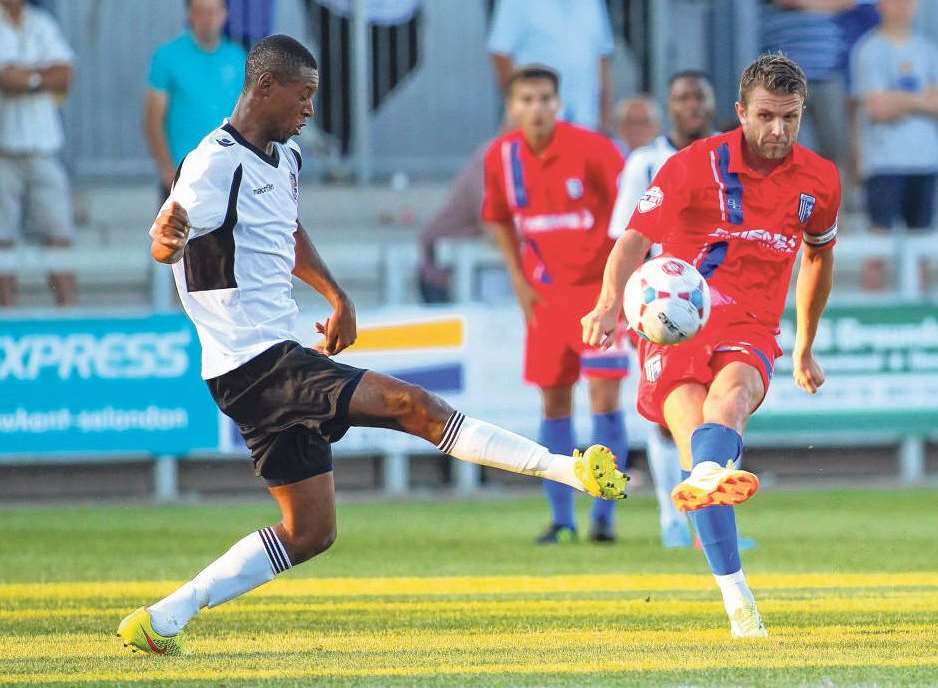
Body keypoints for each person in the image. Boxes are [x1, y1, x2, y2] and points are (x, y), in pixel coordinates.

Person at [116, 36, 627, 656]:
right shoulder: (212, 162)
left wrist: (336, 294)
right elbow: (170, 238)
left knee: (311, 532)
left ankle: (162, 618)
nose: (309, 109)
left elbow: (286, 228)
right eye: (303, 96)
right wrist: (165, 240)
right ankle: (566, 468)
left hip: (260, 362)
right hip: (255, 362)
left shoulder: (285, 157)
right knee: (413, 406)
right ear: (266, 87)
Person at [582, 53, 839, 637]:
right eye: (767, 117)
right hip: (677, 319)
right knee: (699, 444)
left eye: (791, 119)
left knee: (730, 404)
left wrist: (804, 346)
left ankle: (716, 519)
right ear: (740, 112)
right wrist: (605, 303)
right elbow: (631, 242)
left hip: (752, 323)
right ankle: (737, 595)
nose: (778, 131)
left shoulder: (819, 179)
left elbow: (820, 258)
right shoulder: (692, 164)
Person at [482, 66, 628, 544]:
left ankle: (605, 515)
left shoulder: (593, 148)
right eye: (527, 99)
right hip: (545, 299)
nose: (537, 108)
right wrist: (519, 281)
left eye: (546, 98)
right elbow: (499, 218)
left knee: (604, 397)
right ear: (511, 107)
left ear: (558, 102)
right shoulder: (502, 156)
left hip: (599, 295)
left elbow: (632, 213)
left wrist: (620, 286)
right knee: (554, 398)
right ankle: (562, 517)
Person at [608, 71, 716, 550]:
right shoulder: (645, 163)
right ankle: (672, 519)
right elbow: (624, 238)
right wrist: (616, 304)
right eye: (681, 98)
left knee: (717, 409)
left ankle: (710, 522)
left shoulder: (732, 158)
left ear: (714, 104)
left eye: (699, 96)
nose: (691, 105)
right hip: (660, 306)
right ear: (668, 107)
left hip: (716, 298)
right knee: (664, 415)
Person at [851, 0, 938, 290]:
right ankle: (870, 318)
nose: (903, 6)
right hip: (884, 161)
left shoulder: (928, 49)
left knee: (922, 245)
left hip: (924, 160)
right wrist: (920, 100)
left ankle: (921, 320)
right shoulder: (869, 50)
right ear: (881, 5)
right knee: (877, 247)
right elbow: (877, 109)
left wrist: (896, 98)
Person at [0, 0, 75, 307]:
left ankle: (70, 315)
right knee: (2, 240)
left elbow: (65, 75)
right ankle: (6, 318)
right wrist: (41, 75)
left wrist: (26, 78)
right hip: (3, 154)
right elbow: (5, 80)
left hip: (44, 149)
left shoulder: (41, 22)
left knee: (59, 236)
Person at [144, 0, 246, 202]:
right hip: (182, 178)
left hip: (229, 177)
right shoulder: (167, 57)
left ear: (225, 14)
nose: (208, 18)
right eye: (200, 11)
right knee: (177, 235)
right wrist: (166, 171)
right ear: (189, 15)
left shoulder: (238, 57)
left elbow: (249, 117)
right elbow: (152, 120)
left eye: (214, 11)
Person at [488, 0, 614, 132]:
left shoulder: (593, 3)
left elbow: (602, 58)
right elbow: (501, 53)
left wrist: (605, 117)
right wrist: (517, 106)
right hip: (537, 124)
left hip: (586, 119)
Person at [761, 0, 855, 172]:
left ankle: (837, 198)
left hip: (827, 75)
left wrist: (804, 4)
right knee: (792, 152)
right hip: (785, 81)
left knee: (837, 150)